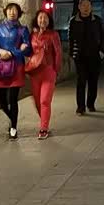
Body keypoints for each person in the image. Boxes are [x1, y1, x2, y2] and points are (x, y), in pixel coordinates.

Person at [0, 3, 31, 139]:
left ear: (19, 13)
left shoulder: (23, 30)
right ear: (5, 12)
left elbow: (28, 50)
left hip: (17, 66)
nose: (12, 12)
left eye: (15, 10)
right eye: (9, 10)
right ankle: (11, 117)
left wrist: (13, 53)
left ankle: (14, 127)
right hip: (2, 67)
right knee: (1, 101)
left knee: (13, 99)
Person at [27, 8, 62, 139]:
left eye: (45, 18)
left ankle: (43, 128)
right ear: (36, 20)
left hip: (48, 70)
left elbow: (58, 53)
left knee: (44, 100)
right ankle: (44, 120)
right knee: (37, 101)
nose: (43, 20)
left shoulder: (53, 35)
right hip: (35, 71)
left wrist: (56, 70)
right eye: (40, 17)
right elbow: (28, 51)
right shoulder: (32, 35)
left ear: (49, 20)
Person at [69, 0, 104, 115]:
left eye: (88, 5)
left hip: (95, 56)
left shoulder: (97, 20)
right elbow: (70, 38)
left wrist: (102, 51)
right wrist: (72, 53)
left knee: (93, 81)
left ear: (91, 7)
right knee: (81, 81)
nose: (86, 8)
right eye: (83, 5)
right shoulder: (74, 21)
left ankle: (90, 103)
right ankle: (80, 107)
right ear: (79, 7)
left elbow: (103, 36)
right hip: (80, 57)